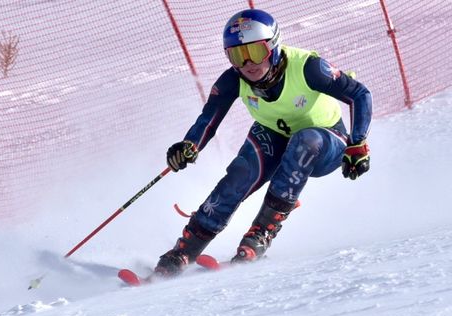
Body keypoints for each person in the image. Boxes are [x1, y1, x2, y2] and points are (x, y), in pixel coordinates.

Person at [154, 9, 372, 276]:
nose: (247, 63)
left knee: (306, 140)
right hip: (274, 135)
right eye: (237, 55)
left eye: (255, 52)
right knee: (240, 175)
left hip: (327, 141)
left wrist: (358, 144)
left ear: (273, 46)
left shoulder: (308, 67)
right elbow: (208, 120)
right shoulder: (233, 79)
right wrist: (189, 146)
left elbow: (360, 94)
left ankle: (261, 233)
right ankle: (185, 249)